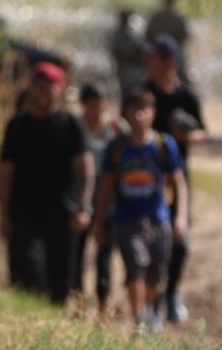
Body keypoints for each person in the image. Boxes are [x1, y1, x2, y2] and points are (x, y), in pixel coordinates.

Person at [0, 62, 94, 304]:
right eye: (39, 86)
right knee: (25, 277)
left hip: (63, 213)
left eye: (49, 87)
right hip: (24, 213)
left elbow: (86, 169)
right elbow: (4, 172)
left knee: (60, 284)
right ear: (31, 87)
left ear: (60, 90)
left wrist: (84, 207)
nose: (43, 92)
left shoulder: (71, 125)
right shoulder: (17, 125)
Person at [92, 90, 188, 335]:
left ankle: (151, 307)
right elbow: (106, 188)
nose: (138, 115)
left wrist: (180, 216)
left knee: (157, 275)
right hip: (127, 218)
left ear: (152, 113)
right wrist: (99, 222)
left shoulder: (164, 145)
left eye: (143, 110)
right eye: (134, 110)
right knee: (135, 267)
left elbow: (178, 182)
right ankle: (139, 318)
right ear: (125, 114)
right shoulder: (117, 148)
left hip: (159, 218)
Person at [143, 34, 207, 325]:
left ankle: (171, 294)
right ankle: (152, 301)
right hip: (145, 178)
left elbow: (203, 132)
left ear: (168, 62)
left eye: (153, 57)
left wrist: (187, 135)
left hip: (178, 176)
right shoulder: (144, 95)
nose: (148, 61)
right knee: (149, 241)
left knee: (180, 239)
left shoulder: (187, 96)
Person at [71, 83, 122, 319]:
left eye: (99, 105)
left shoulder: (117, 128)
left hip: (107, 199)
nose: (95, 110)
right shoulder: (75, 127)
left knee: (104, 255)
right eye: (90, 106)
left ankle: (103, 309)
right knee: (77, 255)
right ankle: (80, 305)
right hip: (79, 197)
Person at [145, 0, 191, 80]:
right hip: (172, 55)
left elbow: (148, 37)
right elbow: (185, 36)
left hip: (162, 57)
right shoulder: (177, 18)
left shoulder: (157, 18)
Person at [110, 9, 147, 96]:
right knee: (127, 91)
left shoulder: (132, 31)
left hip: (134, 66)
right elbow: (117, 50)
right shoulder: (118, 33)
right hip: (124, 66)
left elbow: (140, 46)